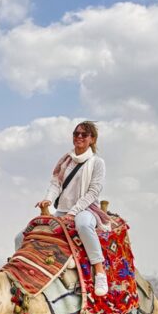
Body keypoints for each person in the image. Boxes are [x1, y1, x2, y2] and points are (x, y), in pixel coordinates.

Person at [35, 121, 109, 296]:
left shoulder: (97, 163)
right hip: (62, 210)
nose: (79, 137)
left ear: (92, 139)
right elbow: (55, 184)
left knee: (83, 225)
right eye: (76, 134)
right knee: (25, 235)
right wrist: (48, 200)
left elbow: (93, 192)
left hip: (86, 210)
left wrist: (74, 213)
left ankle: (99, 271)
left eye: (84, 134)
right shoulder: (66, 161)